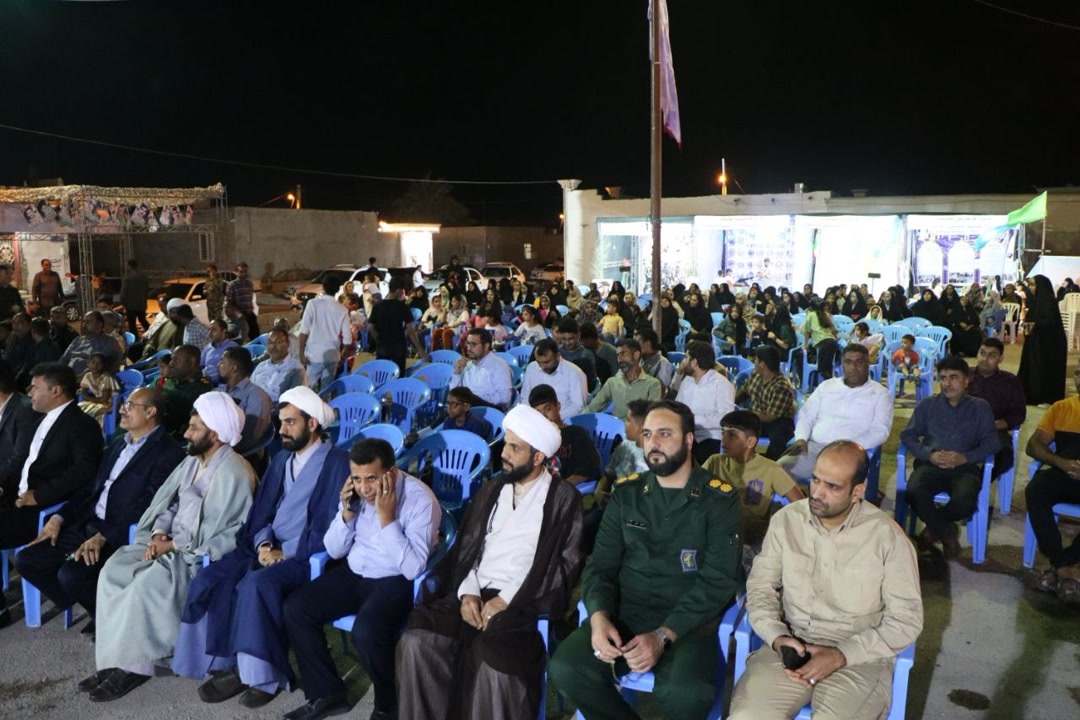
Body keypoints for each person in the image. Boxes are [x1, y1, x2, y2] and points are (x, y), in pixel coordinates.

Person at [550, 400, 742, 720]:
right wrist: (598, 617)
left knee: (687, 693)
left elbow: (718, 579)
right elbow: (601, 566)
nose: (653, 443)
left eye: (665, 434)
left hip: (689, 622)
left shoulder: (719, 499)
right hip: (628, 612)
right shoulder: (627, 494)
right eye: (648, 434)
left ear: (689, 440)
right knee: (567, 668)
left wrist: (663, 635)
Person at [396, 404, 584, 720]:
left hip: (523, 601)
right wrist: (468, 593)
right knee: (418, 640)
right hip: (473, 589)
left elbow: (564, 567)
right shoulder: (492, 489)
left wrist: (505, 600)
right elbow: (468, 549)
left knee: (494, 661)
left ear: (538, 457)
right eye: (506, 444)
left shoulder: (563, 499)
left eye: (515, 448)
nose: (504, 454)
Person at [174, 388, 350, 709]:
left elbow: (330, 526)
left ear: (313, 424)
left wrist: (286, 552)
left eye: (290, 422)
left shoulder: (337, 463)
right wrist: (264, 544)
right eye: (281, 422)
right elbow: (263, 512)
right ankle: (227, 662)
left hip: (305, 556)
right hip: (267, 548)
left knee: (255, 585)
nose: (281, 430)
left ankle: (263, 676)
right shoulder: (282, 460)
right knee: (213, 577)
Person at [728, 441, 923, 720]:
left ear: (857, 491)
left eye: (832, 486)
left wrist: (841, 654)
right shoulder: (787, 521)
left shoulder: (887, 538)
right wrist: (777, 636)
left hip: (860, 656)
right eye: (816, 480)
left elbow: (907, 619)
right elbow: (760, 587)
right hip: (792, 645)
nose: (817, 493)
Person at [85, 392, 256, 702]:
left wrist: (171, 545)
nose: (186, 433)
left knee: (145, 585)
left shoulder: (235, 472)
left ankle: (135, 667)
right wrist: (158, 532)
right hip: (165, 542)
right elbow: (169, 503)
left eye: (194, 428)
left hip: (193, 555)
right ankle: (115, 658)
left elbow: (222, 532)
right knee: (113, 572)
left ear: (214, 434)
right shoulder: (191, 462)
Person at [15, 388, 183, 635]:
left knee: (71, 575)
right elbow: (90, 489)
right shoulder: (117, 443)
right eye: (124, 404)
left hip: (120, 531)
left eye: (130, 405)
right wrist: (59, 517)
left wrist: (105, 535)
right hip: (88, 522)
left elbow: (150, 505)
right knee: (28, 560)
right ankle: (100, 608)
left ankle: (107, 619)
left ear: (150, 412)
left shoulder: (168, 452)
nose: (122, 409)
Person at [0, 362, 104, 626]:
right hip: (17, 499)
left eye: (35, 387)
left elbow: (84, 471)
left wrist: (39, 495)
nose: (29, 392)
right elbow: (21, 462)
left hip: (42, 509)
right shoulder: (37, 419)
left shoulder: (81, 424)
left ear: (56, 390)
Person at [900, 356, 999, 558]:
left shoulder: (980, 407)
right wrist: (930, 455)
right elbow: (908, 435)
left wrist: (965, 457)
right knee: (913, 492)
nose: (947, 383)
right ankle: (947, 530)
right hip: (930, 465)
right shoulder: (927, 405)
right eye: (943, 378)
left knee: (965, 502)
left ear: (966, 380)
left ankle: (933, 529)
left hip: (965, 468)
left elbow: (992, 443)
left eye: (953, 377)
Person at [704, 410, 803, 572]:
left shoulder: (771, 469)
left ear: (750, 441)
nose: (724, 440)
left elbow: (800, 504)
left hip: (751, 538)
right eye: (723, 433)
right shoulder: (715, 462)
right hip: (718, 532)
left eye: (732, 435)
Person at [779, 344, 892, 483]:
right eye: (848, 362)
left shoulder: (880, 394)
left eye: (859, 362)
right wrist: (801, 438)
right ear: (842, 364)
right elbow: (806, 416)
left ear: (868, 364)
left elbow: (880, 431)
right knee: (777, 471)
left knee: (837, 484)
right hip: (814, 449)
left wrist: (849, 447)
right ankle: (796, 498)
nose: (853, 367)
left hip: (849, 453)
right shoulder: (827, 386)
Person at [1024, 361, 1080, 602]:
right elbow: (1033, 446)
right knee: (1035, 490)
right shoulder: (1062, 408)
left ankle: (1061, 563)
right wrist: (1061, 463)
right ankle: (1063, 567)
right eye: (1079, 372)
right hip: (1064, 473)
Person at [967, 337, 1026, 479]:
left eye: (991, 356)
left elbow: (1019, 414)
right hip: (963, 428)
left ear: (1001, 358)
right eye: (982, 353)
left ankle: (978, 482)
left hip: (993, 431)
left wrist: (995, 425)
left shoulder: (1010, 381)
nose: (985, 359)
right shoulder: (965, 376)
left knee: (1004, 455)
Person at [674, 340, 736, 462]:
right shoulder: (687, 381)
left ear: (694, 362)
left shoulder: (721, 384)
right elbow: (678, 407)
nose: (683, 362)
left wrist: (692, 419)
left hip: (711, 437)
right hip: (686, 435)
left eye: (686, 358)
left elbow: (726, 418)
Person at [529, 383, 601, 485]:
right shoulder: (535, 441)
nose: (544, 417)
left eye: (548, 409)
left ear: (558, 406)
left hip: (568, 490)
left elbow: (586, 472)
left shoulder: (576, 434)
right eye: (538, 413)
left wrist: (558, 488)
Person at [735, 345, 798, 461]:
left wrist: (746, 414)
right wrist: (732, 402)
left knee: (778, 439)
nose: (754, 362)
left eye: (756, 360)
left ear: (762, 364)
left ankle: (771, 464)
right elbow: (745, 391)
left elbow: (770, 417)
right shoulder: (756, 374)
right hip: (756, 417)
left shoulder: (781, 386)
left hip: (778, 421)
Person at [1019, 274, 1068, 407]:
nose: (1030, 288)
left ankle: (1045, 397)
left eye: (1033, 285)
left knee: (1044, 369)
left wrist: (1035, 325)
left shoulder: (1048, 301)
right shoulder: (1036, 301)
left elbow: (1050, 322)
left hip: (1048, 344)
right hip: (1036, 341)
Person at [218, 347, 273, 465]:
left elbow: (250, 438)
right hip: (218, 449)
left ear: (233, 368)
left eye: (222, 362)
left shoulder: (256, 396)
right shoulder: (220, 391)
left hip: (241, 458)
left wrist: (219, 451)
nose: (219, 365)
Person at [584, 340, 662, 420]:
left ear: (636, 355)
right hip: (616, 427)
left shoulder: (652, 384)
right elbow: (593, 407)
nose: (619, 359)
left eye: (623, 354)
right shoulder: (612, 383)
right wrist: (577, 420)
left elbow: (653, 415)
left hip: (640, 426)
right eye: (618, 355)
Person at [298, 275, 351, 392]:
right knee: (326, 390)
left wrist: (301, 353)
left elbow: (304, 330)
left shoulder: (312, 304)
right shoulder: (343, 310)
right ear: (338, 290)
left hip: (314, 355)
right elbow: (347, 339)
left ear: (323, 287)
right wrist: (342, 354)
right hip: (332, 355)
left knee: (309, 389)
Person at [369, 276, 429, 375]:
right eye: (402, 290)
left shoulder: (377, 306)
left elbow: (371, 327)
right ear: (397, 290)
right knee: (399, 376)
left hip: (382, 348)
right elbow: (411, 331)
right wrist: (421, 350)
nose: (402, 292)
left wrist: (379, 340)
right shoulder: (402, 307)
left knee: (383, 375)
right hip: (398, 347)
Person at [517, 338, 588, 419]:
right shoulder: (531, 368)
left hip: (563, 421)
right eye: (539, 362)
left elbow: (578, 406)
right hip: (534, 420)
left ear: (557, 356)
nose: (542, 367)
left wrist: (553, 418)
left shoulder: (574, 373)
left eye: (546, 362)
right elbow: (525, 397)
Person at [450, 328, 513, 409]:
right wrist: (457, 373)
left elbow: (505, 398)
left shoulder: (499, 365)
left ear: (486, 346)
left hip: (489, 410)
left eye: (473, 344)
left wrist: (474, 398)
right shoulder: (467, 365)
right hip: (466, 408)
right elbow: (454, 394)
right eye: (468, 343)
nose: (468, 348)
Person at [161, 345, 214, 440]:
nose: (171, 364)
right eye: (172, 359)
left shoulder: (202, 389)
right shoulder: (171, 380)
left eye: (176, 360)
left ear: (192, 361)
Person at [250, 328, 307, 404]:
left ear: (287, 344)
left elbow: (293, 401)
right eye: (270, 342)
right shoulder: (261, 366)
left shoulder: (296, 369)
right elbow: (249, 389)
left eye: (278, 342)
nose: (273, 346)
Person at [60, 310, 122, 375]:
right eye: (84, 321)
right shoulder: (77, 340)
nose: (84, 324)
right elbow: (63, 360)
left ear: (99, 324)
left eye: (88, 321)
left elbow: (99, 369)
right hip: (68, 376)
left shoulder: (109, 342)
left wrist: (76, 379)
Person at [554, 317, 599, 389]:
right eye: (563, 339)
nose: (567, 343)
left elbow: (592, 381)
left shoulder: (586, 355)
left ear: (578, 335)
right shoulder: (556, 352)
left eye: (571, 338)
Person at [77, 352, 121, 424]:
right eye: (93, 362)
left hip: (109, 403)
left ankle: (104, 411)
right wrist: (83, 392)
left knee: (85, 411)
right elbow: (83, 389)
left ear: (103, 366)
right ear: (88, 363)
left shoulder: (106, 377)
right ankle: (97, 412)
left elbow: (104, 399)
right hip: (97, 402)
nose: (95, 365)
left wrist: (87, 397)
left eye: (99, 363)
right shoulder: (88, 376)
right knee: (78, 408)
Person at [226, 262, 260, 340]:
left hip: (249, 315)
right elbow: (229, 303)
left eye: (245, 271)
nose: (244, 273)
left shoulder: (249, 284)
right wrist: (239, 315)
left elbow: (250, 300)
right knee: (240, 340)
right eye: (241, 271)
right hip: (239, 317)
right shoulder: (232, 285)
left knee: (256, 338)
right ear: (236, 272)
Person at [200, 319, 238, 385]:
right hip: (204, 382)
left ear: (224, 330)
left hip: (222, 385)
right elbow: (200, 365)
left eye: (214, 329)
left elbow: (234, 373)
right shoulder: (208, 347)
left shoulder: (233, 348)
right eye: (209, 329)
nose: (209, 333)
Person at [119, 259, 149, 335]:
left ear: (129, 266)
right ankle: (152, 333)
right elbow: (146, 290)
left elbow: (124, 290)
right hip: (141, 303)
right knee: (143, 320)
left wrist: (122, 301)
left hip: (130, 304)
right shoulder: (143, 276)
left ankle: (135, 339)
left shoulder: (127, 277)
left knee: (132, 323)